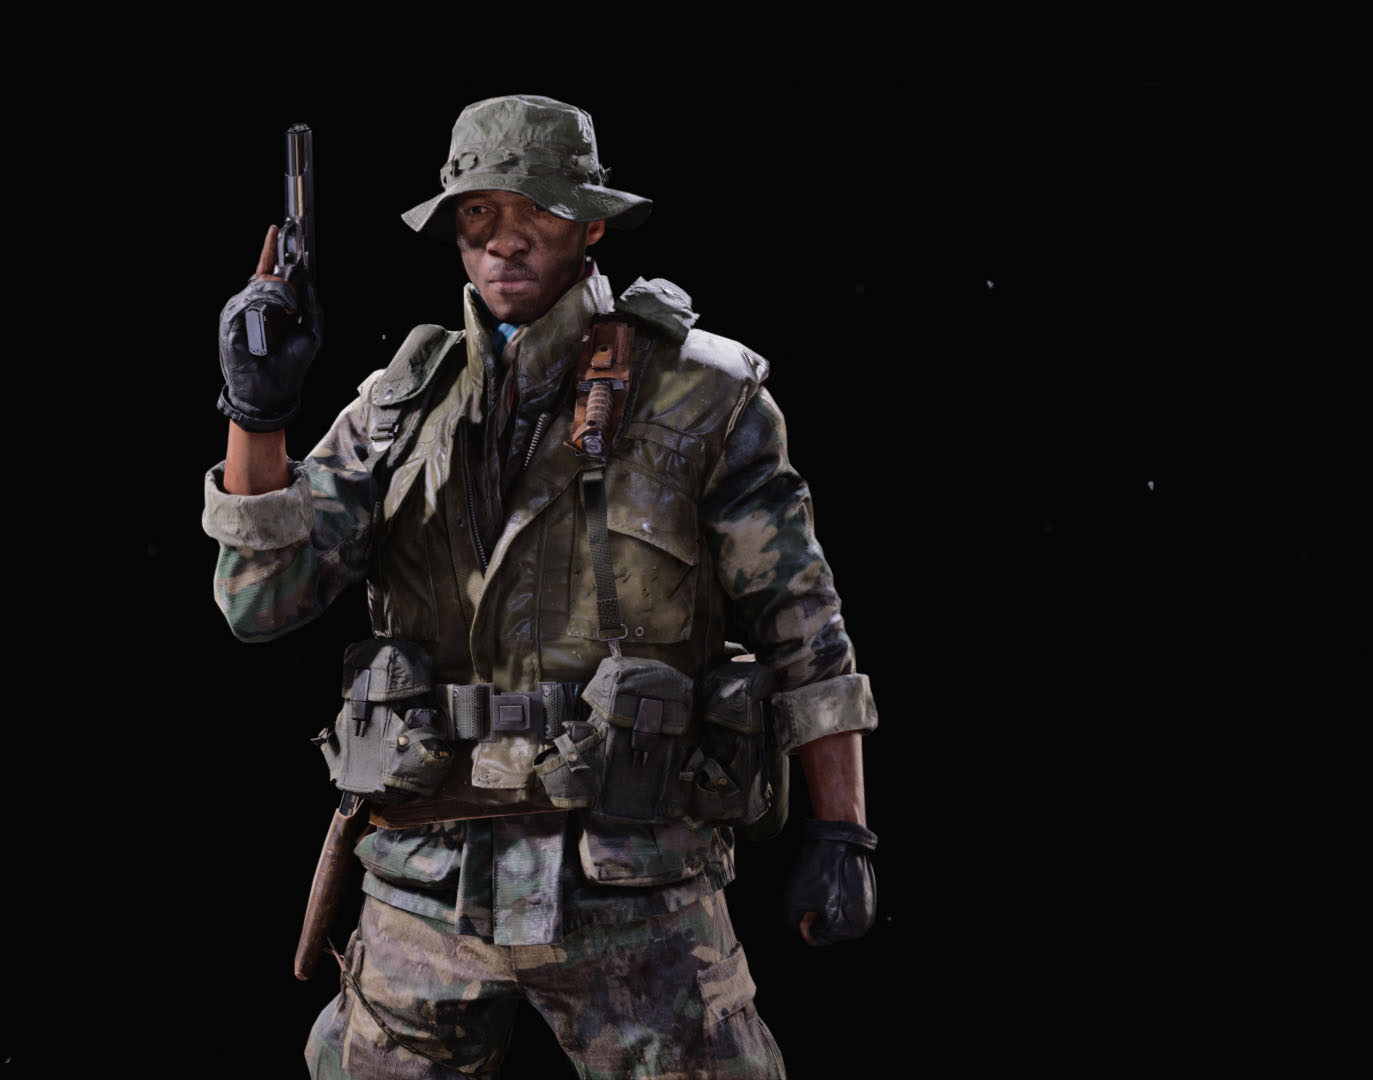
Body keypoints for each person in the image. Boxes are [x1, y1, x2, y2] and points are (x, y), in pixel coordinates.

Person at [205, 93, 879, 1079]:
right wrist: (256, 411)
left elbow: (805, 632)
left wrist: (843, 830)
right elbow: (259, 603)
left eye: (540, 210)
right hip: (428, 883)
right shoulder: (399, 408)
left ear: (591, 224)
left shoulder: (701, 396)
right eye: (480, 212)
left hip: (632, 883)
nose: (506, 239)